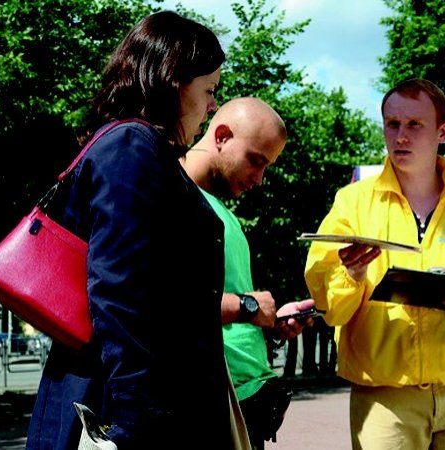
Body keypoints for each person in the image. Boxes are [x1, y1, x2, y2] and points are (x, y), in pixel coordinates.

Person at [25, 11, 241, 449]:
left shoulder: (140, 149)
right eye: (209, 90)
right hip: (122, 408)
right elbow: (118, 292)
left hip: (133, 402)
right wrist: (128, 425)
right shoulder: (131, 148)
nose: (213, 104)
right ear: (174, 79)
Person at [303, 78, 445, 450]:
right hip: (384, 397)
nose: (400, 136)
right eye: (392, 124)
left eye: (414, 125)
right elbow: (330, 307)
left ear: (443, 131)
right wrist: (350, 275)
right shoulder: (352, 203)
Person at [181, 96, 316, 449]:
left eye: (268, 166)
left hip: (239, 406)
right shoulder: (174, 197)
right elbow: (162, 301)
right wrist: (250, 308)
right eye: (256, 161)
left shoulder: (218, 211)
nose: (259, 179)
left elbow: (220, 304)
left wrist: (270, 324)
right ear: (222, 135)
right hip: (207, 407)